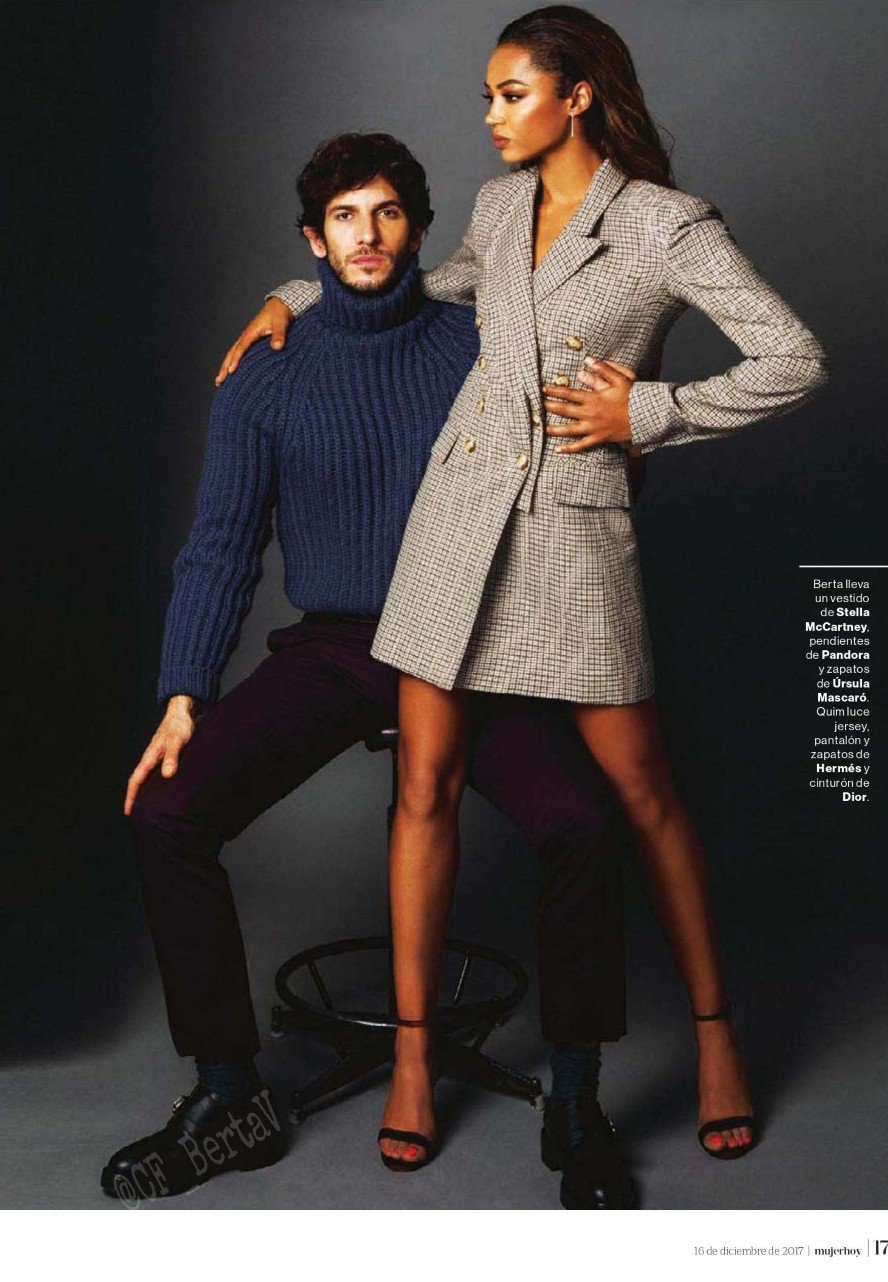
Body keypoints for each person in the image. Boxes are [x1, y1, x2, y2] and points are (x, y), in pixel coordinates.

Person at [218, 5, 829, 1182]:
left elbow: (794, 356)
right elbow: (413, 290)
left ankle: (715, 1036)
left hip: (572, 541)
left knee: (646, 797)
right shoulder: (499, 211)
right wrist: (293, 292)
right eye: (489, 96)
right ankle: (412, 1060)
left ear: (576, 95)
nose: (491, 116)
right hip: (453, 530)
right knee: (424, 790)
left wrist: (648, 412)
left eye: (511, 93)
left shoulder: (663, 225)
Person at [104, 132, 641, 1209]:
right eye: (345, 217)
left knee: (584, 820)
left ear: (419, 229)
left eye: (387, 212)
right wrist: (182, 695)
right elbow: (221, 545)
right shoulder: (268, 372)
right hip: (340, 645)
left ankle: (579, 1099)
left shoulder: (480, 342)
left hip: (473, 638)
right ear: (313, 240)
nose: (367, 234)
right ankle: (227, 1096)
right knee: (166, 810)